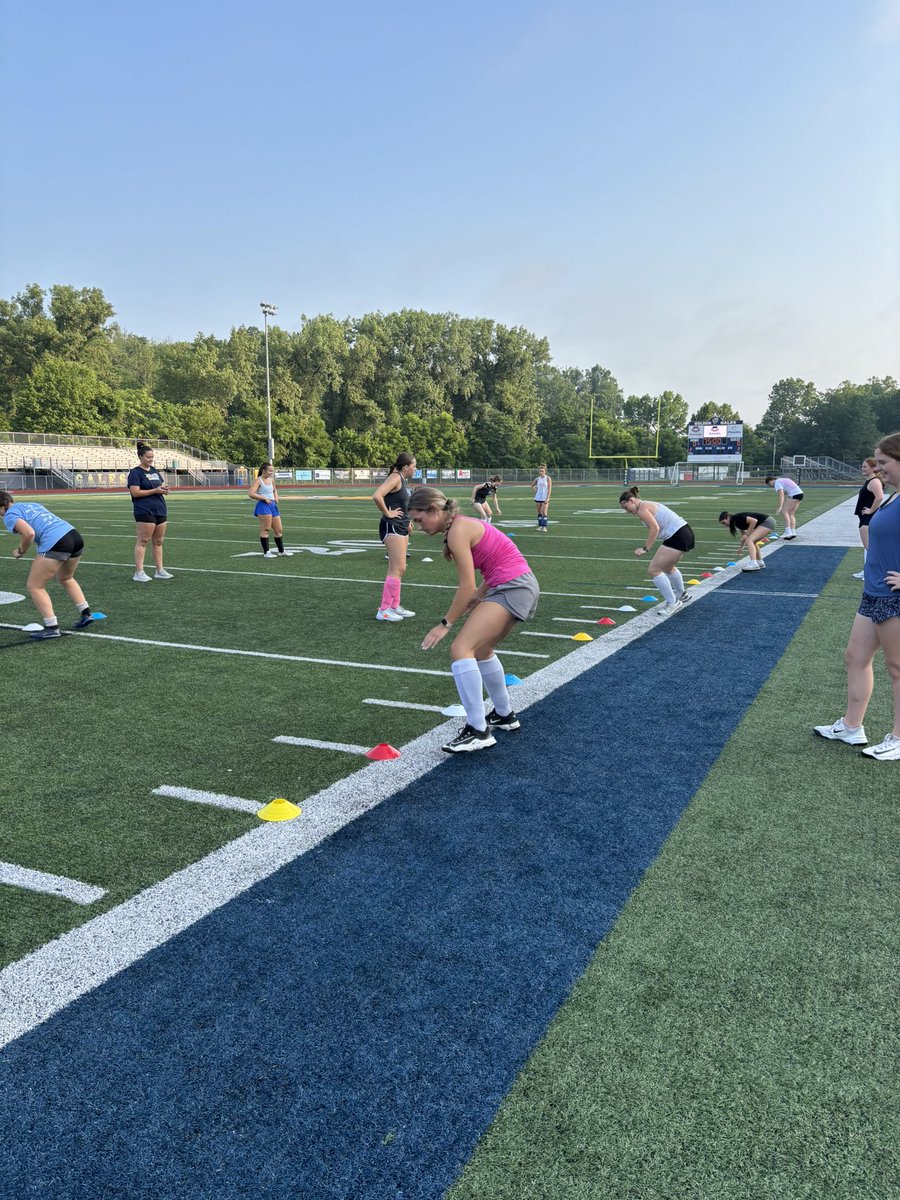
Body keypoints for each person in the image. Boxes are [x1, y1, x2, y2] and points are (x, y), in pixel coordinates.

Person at [409, 487, 539, 753]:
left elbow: (466, 584)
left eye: (420, 519)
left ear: (434, 510)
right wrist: (478, 597)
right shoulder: (458, 527)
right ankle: (504, 715)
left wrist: (445, 624)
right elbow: (493, 565)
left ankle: (478, 731)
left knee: (460, 649)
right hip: (515, 585)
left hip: (512, 587)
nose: (419, 527)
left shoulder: (458, 530)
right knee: (481, 650)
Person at [814, 432, 900, 761]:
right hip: (874, 593)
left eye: (883, 463)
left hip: (895, 597)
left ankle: (898, 737)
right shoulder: (892, 496)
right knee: (855, 657)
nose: (877, 470)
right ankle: (852, 727)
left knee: (897, 668)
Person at [0, 491, 95, 639]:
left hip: (57, 541)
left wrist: (20, 551)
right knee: (65, 578)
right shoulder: (31, 504)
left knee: (34, 586)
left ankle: (52, 627)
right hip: (74, 536)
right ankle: (86, 613)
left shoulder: (9, 515)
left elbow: (29, 533)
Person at [619, 486, 695, 612]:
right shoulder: (645, 505)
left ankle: (673, 602)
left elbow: (654, 528)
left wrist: (646, 548)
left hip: (678, 535)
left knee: (654, 570)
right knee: (668, 568)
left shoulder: (642, 509)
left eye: (626, 507)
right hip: (684, 533)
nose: (627, 511)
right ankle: (682, 595)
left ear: (632, 500)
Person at [372, 452, 417, 622]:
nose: (415, 469)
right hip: (392, 526)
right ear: (406, 467)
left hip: (401, 526)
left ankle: (394, 606)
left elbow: (401, 503)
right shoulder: (395, 477)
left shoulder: (402, 479)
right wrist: (388, 513)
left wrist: (408, 521)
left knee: (400, 567)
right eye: (414, 466)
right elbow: (377, 495)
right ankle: (384, 610)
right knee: (397, 568)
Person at [127, 442, 172, 582]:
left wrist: (164, 489)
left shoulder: (154, 470)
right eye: (148, 457)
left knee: (158, 541)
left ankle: (160, 570)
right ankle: (139, 572)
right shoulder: (135, 473)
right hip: (144, 509)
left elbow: (158, 486)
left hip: (159, 508)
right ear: (141, 457)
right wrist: (155, 490)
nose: (151, 459)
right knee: (143, 541)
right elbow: (135, 492)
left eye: (152, 457)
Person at [852, 458, 884, 580]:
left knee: (869, 546)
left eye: (865, 467)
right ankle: (866, 571)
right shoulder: (870, 481)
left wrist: (871, 510)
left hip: (869, 518)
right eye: (862, 466)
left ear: (873, 468)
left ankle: (871, 573)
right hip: (865, 518)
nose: (862, 469)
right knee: (868, 546)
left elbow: (879, 497)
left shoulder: (874, 481)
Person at [249, 463, 286, 557]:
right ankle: (267, 552)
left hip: (272, 505)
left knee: (279, 530)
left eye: (272, 470)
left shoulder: (271, 480)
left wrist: (276, 497)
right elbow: (251, 493)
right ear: (264, 470)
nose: (271, 472)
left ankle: (281, 551)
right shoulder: (258, 480)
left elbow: (274, 490)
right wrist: (263, 498)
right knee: (266, 529)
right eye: (270, 470)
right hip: (263, 506)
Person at [765, 475, 804, 539]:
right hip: (800, 494)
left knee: (784, 511)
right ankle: (793, 531)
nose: (771, 486)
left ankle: (788, 531)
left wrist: (780, 506)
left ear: (770, 481)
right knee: (791, 514)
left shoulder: (777, 482)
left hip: (794, 494)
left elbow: (781, 494)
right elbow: (787, 490)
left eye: (769, 484)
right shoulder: (782, 480)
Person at [532, 464, 552, 532]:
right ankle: (540, 526)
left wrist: (548, 498)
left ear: (545, 471)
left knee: (544, 512)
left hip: (545, 497)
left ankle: (545, 527)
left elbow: (549, 489)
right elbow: (532, 486)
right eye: (540, 471)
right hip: (538, 497)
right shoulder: (537, 478)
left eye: (542, 471)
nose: (541, 472)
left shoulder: (548, 478)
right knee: (539, 512)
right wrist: (536, 491)